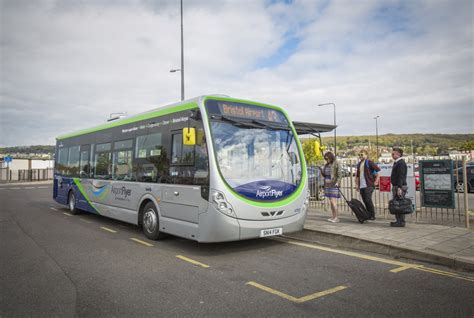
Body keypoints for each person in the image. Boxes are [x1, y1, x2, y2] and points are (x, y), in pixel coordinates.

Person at [355, 150, 380, 220]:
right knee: (365, 200)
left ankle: (372, 215)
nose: (360, 156)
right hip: (362, 185)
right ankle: (368, 214)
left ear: (366, 155)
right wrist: (357, 185)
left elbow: (377, 172)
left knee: (368, 200)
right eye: (359, 155)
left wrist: (376, 181)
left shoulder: (369, 162)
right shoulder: (359, 164)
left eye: (362, 155)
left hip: (369, 185)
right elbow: (357, 176)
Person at [319, 151, 342, 223]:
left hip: (333, 184)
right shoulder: (326, 165)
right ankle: (333, 216)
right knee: (331, 201)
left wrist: (338, 182)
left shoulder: (336, 163)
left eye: (327, 158)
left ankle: (337, 217)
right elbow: (324, 174)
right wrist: (321, 170)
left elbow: (339, 174)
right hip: (327, 184)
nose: (326, 160)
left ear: (331, 157)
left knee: (333, 201)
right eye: (325, 159)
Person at [390, 147, 408, 227]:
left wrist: (399, 188)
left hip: (399, 186)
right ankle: (399, 221)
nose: (392, 155)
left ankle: (400, 222)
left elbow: (401, 176)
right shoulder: (397, 162)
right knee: (397, 204)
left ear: (398, 154)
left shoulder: (400, 163)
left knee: (399, 205)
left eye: (393, 153)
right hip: (397, 186)